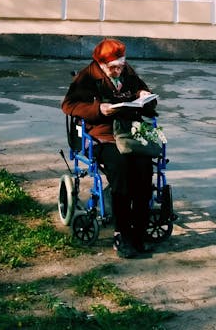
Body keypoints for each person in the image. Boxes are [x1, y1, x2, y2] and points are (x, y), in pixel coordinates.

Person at [61, 37, 158, 258]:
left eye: (120, 67)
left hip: (129, 132)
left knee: (144, 170)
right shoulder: (87, 76)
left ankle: (139, 233)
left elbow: (143, 90)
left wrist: (143, 95)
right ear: (102, 64)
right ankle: (121, 234)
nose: (117, 71)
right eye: (113, 68)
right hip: (103, 136)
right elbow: (68, 105)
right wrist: (99, 109)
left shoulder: (127, 72)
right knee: (121, 171)